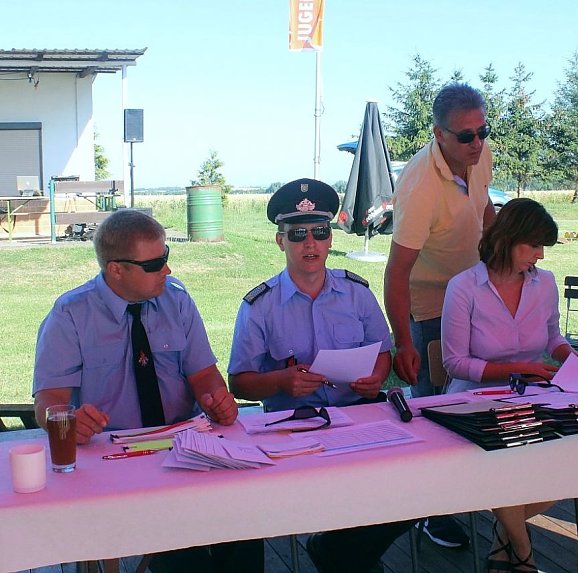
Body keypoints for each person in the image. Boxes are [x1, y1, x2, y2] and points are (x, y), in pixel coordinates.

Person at [32, 209, 262, 573]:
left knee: (246, 521)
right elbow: (49, 401)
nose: (167, 270)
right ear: (116, 269)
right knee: (181, 553)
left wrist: (216, 400)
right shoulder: (71, 314)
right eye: (155, 264)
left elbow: (204, 373)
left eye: (166, 258)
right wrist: (69, 422)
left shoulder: (177, 300)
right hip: (113, 455)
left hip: (185, 445)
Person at [227, 178, 412, 573]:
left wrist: (377, 378)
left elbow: (382, 352)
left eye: (319, 232)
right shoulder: (259, 306)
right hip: (294, 429)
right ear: (281, 242)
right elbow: (239, 382)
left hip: (358, 416)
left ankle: (339, 550)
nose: (309, 244)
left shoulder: (357, 293)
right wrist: (280, 382)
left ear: (330, 238)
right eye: (297, 234)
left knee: (415, 484)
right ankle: (346, 555)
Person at [441, 198, 578, 572]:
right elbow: (454, 362)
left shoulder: (544, 283)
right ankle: (524, 554)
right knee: (508, 458)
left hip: (532, 398)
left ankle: (501, 540)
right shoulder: (464, 287)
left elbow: (552, 338)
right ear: (507, 240)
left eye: (544, 247)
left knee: (577, 459)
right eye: (534, 246)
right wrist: (519, 369)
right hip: (473, 402)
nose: (541, 256)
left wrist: (571, 356)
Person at [383, 81, 495, 549]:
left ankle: (473, 490)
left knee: (478, 398)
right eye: (466, 136)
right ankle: (432, 512)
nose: (477, 143)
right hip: (428, 305)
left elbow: (485, 207)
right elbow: (396, 273)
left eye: (483, 131)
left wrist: (504, 255)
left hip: (473, 296)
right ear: (438, 134)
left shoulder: (479, 155)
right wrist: (403, 342)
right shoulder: (418, 184)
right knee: (432, 414)